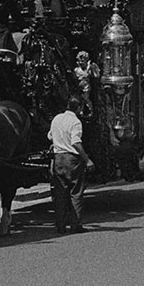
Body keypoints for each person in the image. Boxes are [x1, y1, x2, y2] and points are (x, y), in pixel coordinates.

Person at [48, 95, 95, 234]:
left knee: (60, 193)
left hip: (58, 159)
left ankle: (60, 225)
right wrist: (87, 159)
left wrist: (58, 141)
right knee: (76, 192)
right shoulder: (75, 122)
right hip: (71, 159)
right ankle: (76, 224)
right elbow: (75, 141)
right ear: (79, 107)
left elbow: (50, 136)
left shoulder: (57, 118)